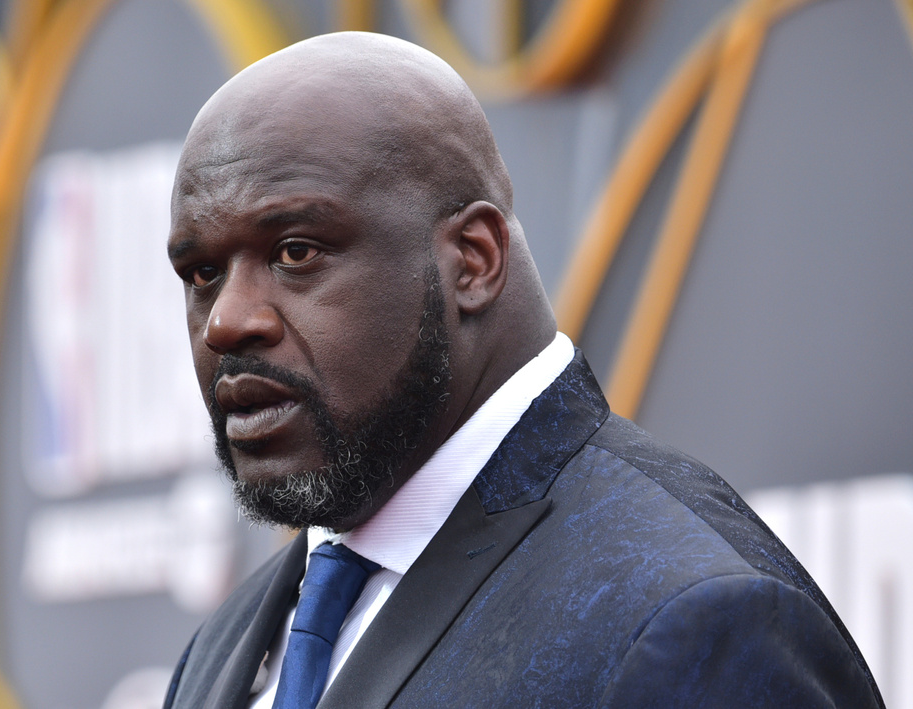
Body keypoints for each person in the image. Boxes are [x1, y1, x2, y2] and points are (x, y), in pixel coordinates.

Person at [162, 31, 882, 709]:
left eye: (296, 252)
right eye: (201, 273)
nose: (227, 321)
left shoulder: (691, 620)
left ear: (473, 261)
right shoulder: (225, 647)